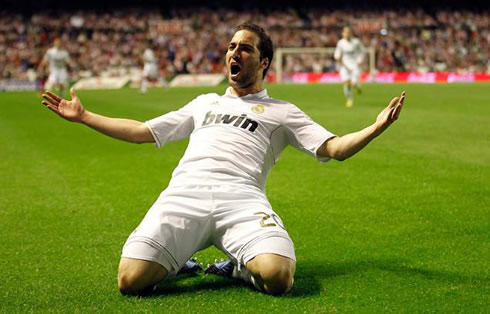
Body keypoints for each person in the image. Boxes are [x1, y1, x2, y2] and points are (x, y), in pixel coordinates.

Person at [41, 23, 405, 296]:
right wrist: (86, 117)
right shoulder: (205, 103)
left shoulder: (282, 112)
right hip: (184, 195)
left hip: (242, 199)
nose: (234, 53)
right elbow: (141, 131)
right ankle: (179, 263)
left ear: (263, 62)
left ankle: (235, 268)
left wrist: (375, 127)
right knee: (129, 281)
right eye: (231, 46)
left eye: (244, 48)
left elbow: (335, 148)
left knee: (279, 278)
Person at [334, 26, 366, 108]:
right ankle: (350, 99)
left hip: (355, 65)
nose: (347, 34)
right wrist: (337, 57)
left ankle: (357, 86)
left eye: (348, 32)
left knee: (353, 83)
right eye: (345, 32)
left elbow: (362, 52)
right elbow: (337, 53)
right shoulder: (340, 43)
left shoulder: (356, 42)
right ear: (343, 33)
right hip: (344, 66)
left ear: (351, 33)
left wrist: (360, 60)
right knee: (346, 84)